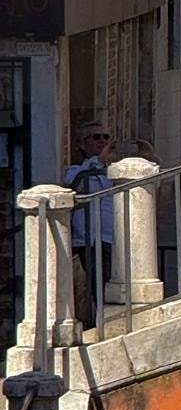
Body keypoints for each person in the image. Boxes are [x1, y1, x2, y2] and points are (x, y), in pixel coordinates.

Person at [64, 121, 115, 326]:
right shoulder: (76, 169)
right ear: (82, 144)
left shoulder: (115, 170)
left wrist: (149, 156)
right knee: (100, 284)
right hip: (91, 240)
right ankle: (104, 324)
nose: (102, 141)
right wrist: (98, 162)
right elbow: (73, 182)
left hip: (115, 237)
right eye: (96, 137)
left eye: (105, 137)